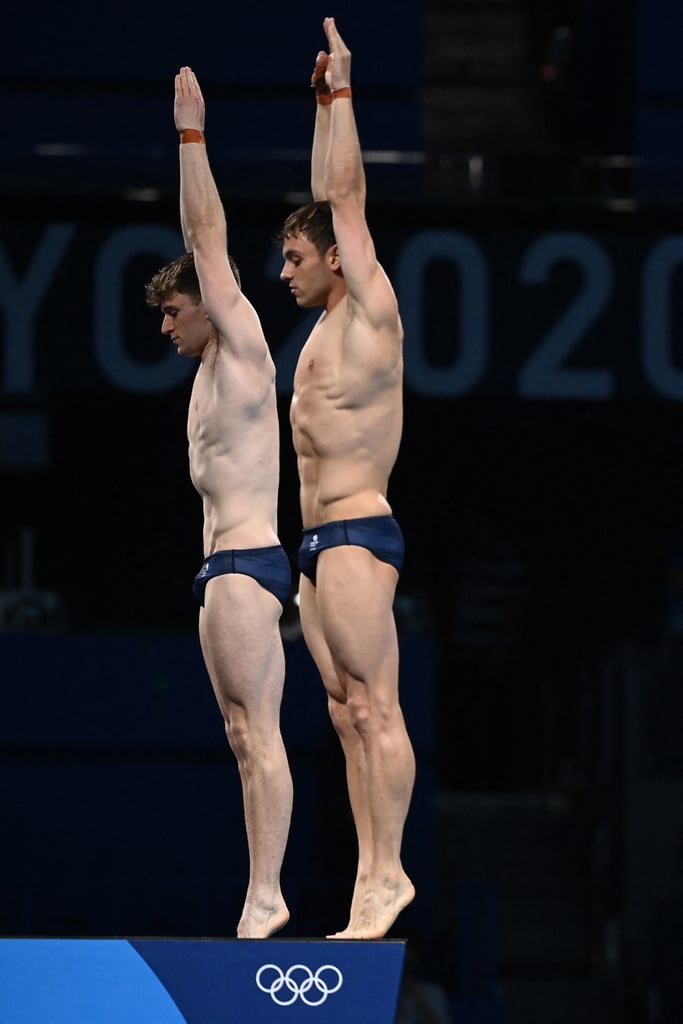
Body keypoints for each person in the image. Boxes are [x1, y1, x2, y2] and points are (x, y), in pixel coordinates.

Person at [145, 66, 293, 939]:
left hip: (245, 564)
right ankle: (260, 890)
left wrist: (189, 137)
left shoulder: (238, 342)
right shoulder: (205, 375)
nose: (165, 326)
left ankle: (265, 895)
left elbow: (206, 231)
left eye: (173, 311)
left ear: (211, 300)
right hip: (220, 571)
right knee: (241, 738)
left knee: (258, 735)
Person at [279, 17, 416, 939]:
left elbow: (344, 194)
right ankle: (369, 875)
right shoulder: (318, 336)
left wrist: (339, 95)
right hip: (314, 547)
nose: (281, 271)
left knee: (375, 707)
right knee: (341, 715)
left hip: (361, 533)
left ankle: (386, 873)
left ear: (336, 257)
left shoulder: (369, 307)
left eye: (293, 257)